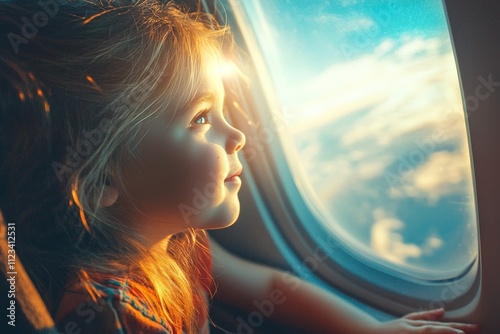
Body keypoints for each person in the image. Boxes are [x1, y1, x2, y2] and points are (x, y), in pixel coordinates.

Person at [0, 1, 480, 333]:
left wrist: (367, 327)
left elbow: (272, 286)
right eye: (202, 118)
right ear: (101, 180)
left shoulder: (180, 241)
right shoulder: (105, 312)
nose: (238, 136)